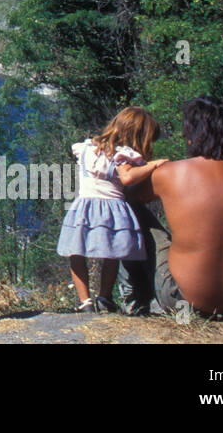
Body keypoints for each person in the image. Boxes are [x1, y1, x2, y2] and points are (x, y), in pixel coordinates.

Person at [120, 96, 223, 321]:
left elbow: (129, 197)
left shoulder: (171, 173)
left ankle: (134, 301)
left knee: (128, 210)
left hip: (184, 302)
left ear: (192, 136)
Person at [57, 107, 169, 312]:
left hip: (85, 205)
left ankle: (85, 302)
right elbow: (127, 178)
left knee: (77, 252)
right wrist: (153, 165)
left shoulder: (88, 148)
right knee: (111, 255)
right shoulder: (124, 155)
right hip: (113, 208)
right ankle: (104, 297)